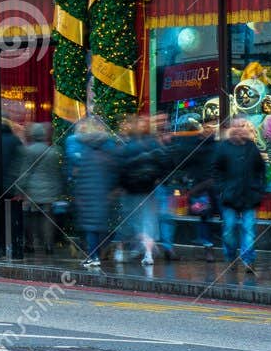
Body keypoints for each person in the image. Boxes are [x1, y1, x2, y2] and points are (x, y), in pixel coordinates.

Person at [210, 117, 267, 276]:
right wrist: (221, 189)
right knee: (229, 230)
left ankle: (248, 260)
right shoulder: (223, 147)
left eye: (242, 125)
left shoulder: (252, 147)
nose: (240, 128)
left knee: (249, 230)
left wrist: (260, 188)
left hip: (249, 196)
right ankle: (230, 257)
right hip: (229, 197)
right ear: (231, 128)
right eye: (237, 126)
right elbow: (215, 170)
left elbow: (261, 169)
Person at [114, 114, 166, 267]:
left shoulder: (126, 145)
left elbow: (121, 167)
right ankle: (147, 253)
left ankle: (121, 251)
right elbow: (163, 162)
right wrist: (157, 178)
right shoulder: (154, 143)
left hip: (131, 190)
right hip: (148, 189)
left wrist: (120, 185)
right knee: (147, 222)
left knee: (128, 221)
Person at [67, 116, 118, 269]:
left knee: (90, 227)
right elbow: (113, 169)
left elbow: (78, 173)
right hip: (103, 192)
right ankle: (99, 253)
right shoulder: (107, 146)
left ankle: (93, 256)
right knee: (100, 225)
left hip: (88, 193)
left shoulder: (83, 148)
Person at [10, 123, 63, 255]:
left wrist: (19, 189)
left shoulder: (27, 151)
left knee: (30, 217)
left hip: (31, 191)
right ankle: (49, 245)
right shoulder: (53, 152)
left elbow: (25, 172)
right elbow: (56, 173)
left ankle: (30, 244)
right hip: (49, 190)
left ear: (33, 135)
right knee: (47, 217)